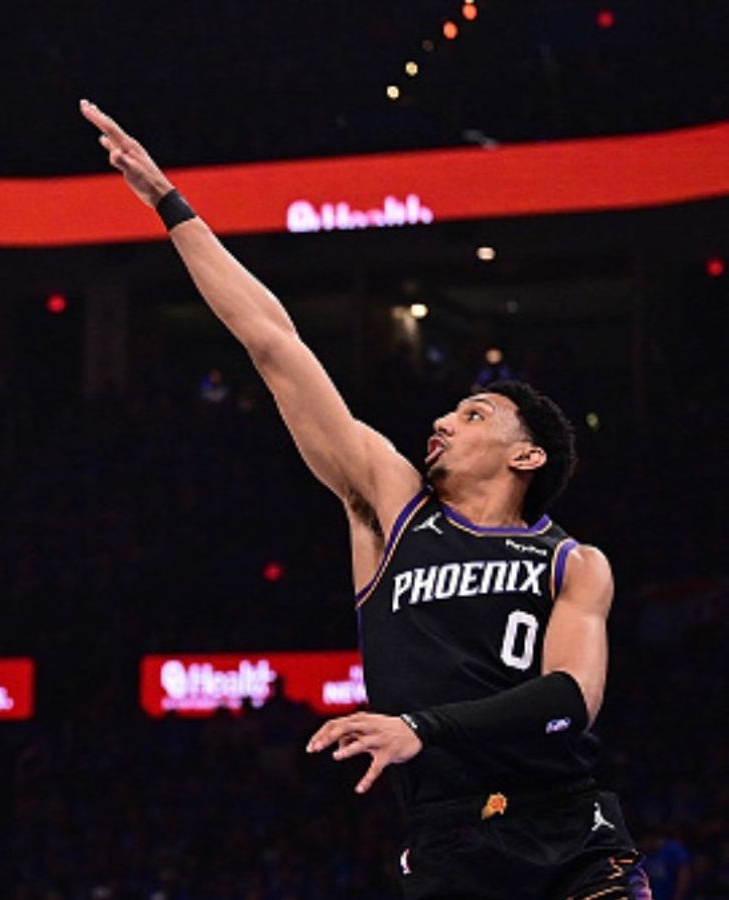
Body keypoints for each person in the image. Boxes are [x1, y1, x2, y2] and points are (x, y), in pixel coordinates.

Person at [82, 100, 651, 898]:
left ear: (527, 454)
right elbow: (275, 344)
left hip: (567, 833)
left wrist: (419, 727)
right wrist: (171, 205)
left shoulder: (573, 563)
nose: (444, 420)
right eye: (449, 410)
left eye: (474, 412)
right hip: (450, 841)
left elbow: (568, 700)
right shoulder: (393, 508)